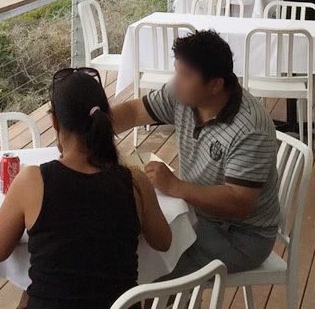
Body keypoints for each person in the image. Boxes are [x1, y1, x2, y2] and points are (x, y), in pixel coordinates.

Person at [0, 69, 170, 308]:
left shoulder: (32, 180)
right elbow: (163, 241)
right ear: (105, 118)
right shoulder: (135, 181)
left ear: (54, 122)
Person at [112, 30, 279, 277]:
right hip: (196, 211)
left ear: (215, 85)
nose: (176, 81)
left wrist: (175, 186)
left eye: (186, 75)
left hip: (240, 235)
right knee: (134, 238)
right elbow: (135, 112)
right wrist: (90, 130)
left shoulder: (250, 129)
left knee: (144, 264)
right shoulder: (183, 94)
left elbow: (238, 203)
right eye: (177, 71)